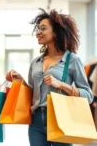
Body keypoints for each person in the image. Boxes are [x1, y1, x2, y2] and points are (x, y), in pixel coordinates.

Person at [6, 9, 93, 146]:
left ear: (56, 32)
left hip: (61, 119)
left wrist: (62, 84)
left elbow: (88, 95)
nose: (38, 32)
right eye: (38, 29)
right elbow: (33, 93)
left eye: (43, 28)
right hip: (36, 122)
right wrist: (20, 81)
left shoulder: (72, 60)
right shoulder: (36, 62)